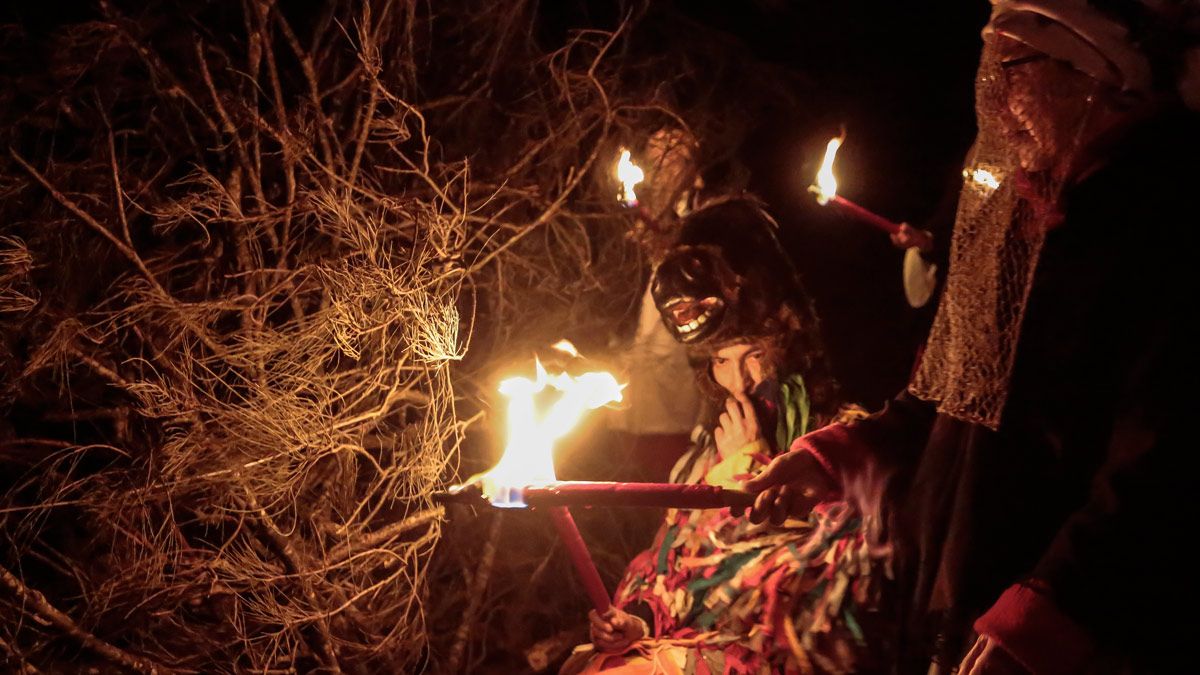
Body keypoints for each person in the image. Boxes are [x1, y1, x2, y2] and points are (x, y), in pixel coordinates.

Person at [745, 2, 1200, 673]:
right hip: (963, 592)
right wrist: (843, 453)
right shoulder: (1021, 217)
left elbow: (1167, 457)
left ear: (1098, 75)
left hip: (1091, 631)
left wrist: (1047, 610)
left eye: (1017, 69)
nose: (997, 98)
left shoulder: (1169, 220)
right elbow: (952, 397)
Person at [561, 198, 889, 674]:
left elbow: (828, 594)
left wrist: (747, 471)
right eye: (720, 361)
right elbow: (665, 567)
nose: (739, 381)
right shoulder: (703, 456)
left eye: (752, 354)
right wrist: (636, 619)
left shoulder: (840, 441)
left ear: (783, 344)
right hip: (687, 649)